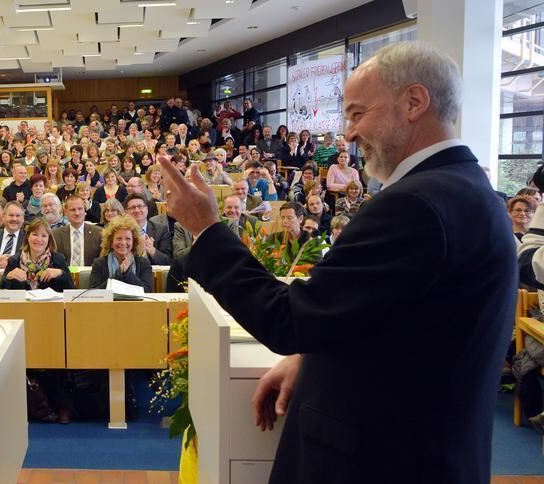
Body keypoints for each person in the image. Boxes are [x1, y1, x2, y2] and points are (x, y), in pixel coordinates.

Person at [157, 42, 515, 483]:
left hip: (384, 463)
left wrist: (207, 229)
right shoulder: (465, 189)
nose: (347, 134)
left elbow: (287, 319)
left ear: (414, 102)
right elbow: (404, 325)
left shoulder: (418, 205)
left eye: (358, 113)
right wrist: (313, 357)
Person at [0, 217, 74, 291]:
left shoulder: (58, 260)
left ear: (49, 239)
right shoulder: (14, 261)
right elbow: (0, 292)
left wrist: (60, 273)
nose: (39, 239)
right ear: (28, 236)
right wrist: (8, 277)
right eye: (35, 234)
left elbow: (72, 291)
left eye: (44, 236)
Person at [88, 215, 153, 292]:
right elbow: (94, 292)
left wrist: (127, 274)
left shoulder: (143, 263)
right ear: (111, 242)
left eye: (128, 239)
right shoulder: (99, 263)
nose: (123, 243)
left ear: (133, 242)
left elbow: (147, 291)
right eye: (119, 238)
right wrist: (118, 274)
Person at [52, 195, 103, 267]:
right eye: (73, 210)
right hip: (65, 276)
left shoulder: (99, 233)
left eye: (80, 209)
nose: (77, 213)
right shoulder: (56, 235)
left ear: (84, 210)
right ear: (66, 212)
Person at [0, 202, 27, 268]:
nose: (14, 219)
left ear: (23, 219)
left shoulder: (28, 239)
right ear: (3, 217)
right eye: (11, 215)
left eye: (18, 216)